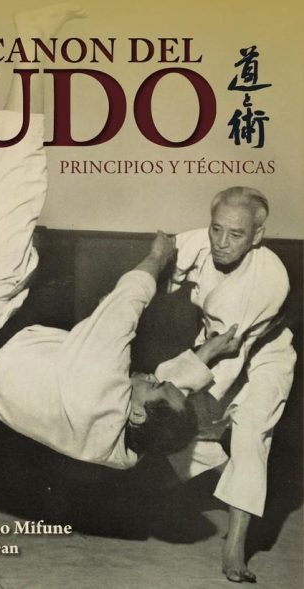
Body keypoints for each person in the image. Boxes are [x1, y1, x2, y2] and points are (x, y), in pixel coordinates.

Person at [0, 6, 241, 471]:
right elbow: (164, 399)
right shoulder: (117, 451)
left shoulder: (100, 381)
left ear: (137, 412)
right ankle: (30, 40)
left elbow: (127, 303)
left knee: (15, 170)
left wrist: (157, 258)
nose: (150, 376)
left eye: (155, 386)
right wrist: (206, 355)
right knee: (13, 175)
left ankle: (30, 35)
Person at [159, 186, 297, 583]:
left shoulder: (266, 280)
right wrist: (159, 265)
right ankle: (233, 475)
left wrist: (179, 389)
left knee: (250, 435)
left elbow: (231, 356)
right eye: (216, 228)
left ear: (257, 235)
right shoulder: (206, 243)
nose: (221, 242)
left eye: (236, 234)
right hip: (213, 348)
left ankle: (235, 544)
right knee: (174, 428)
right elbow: (168, 246)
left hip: (264, 357)